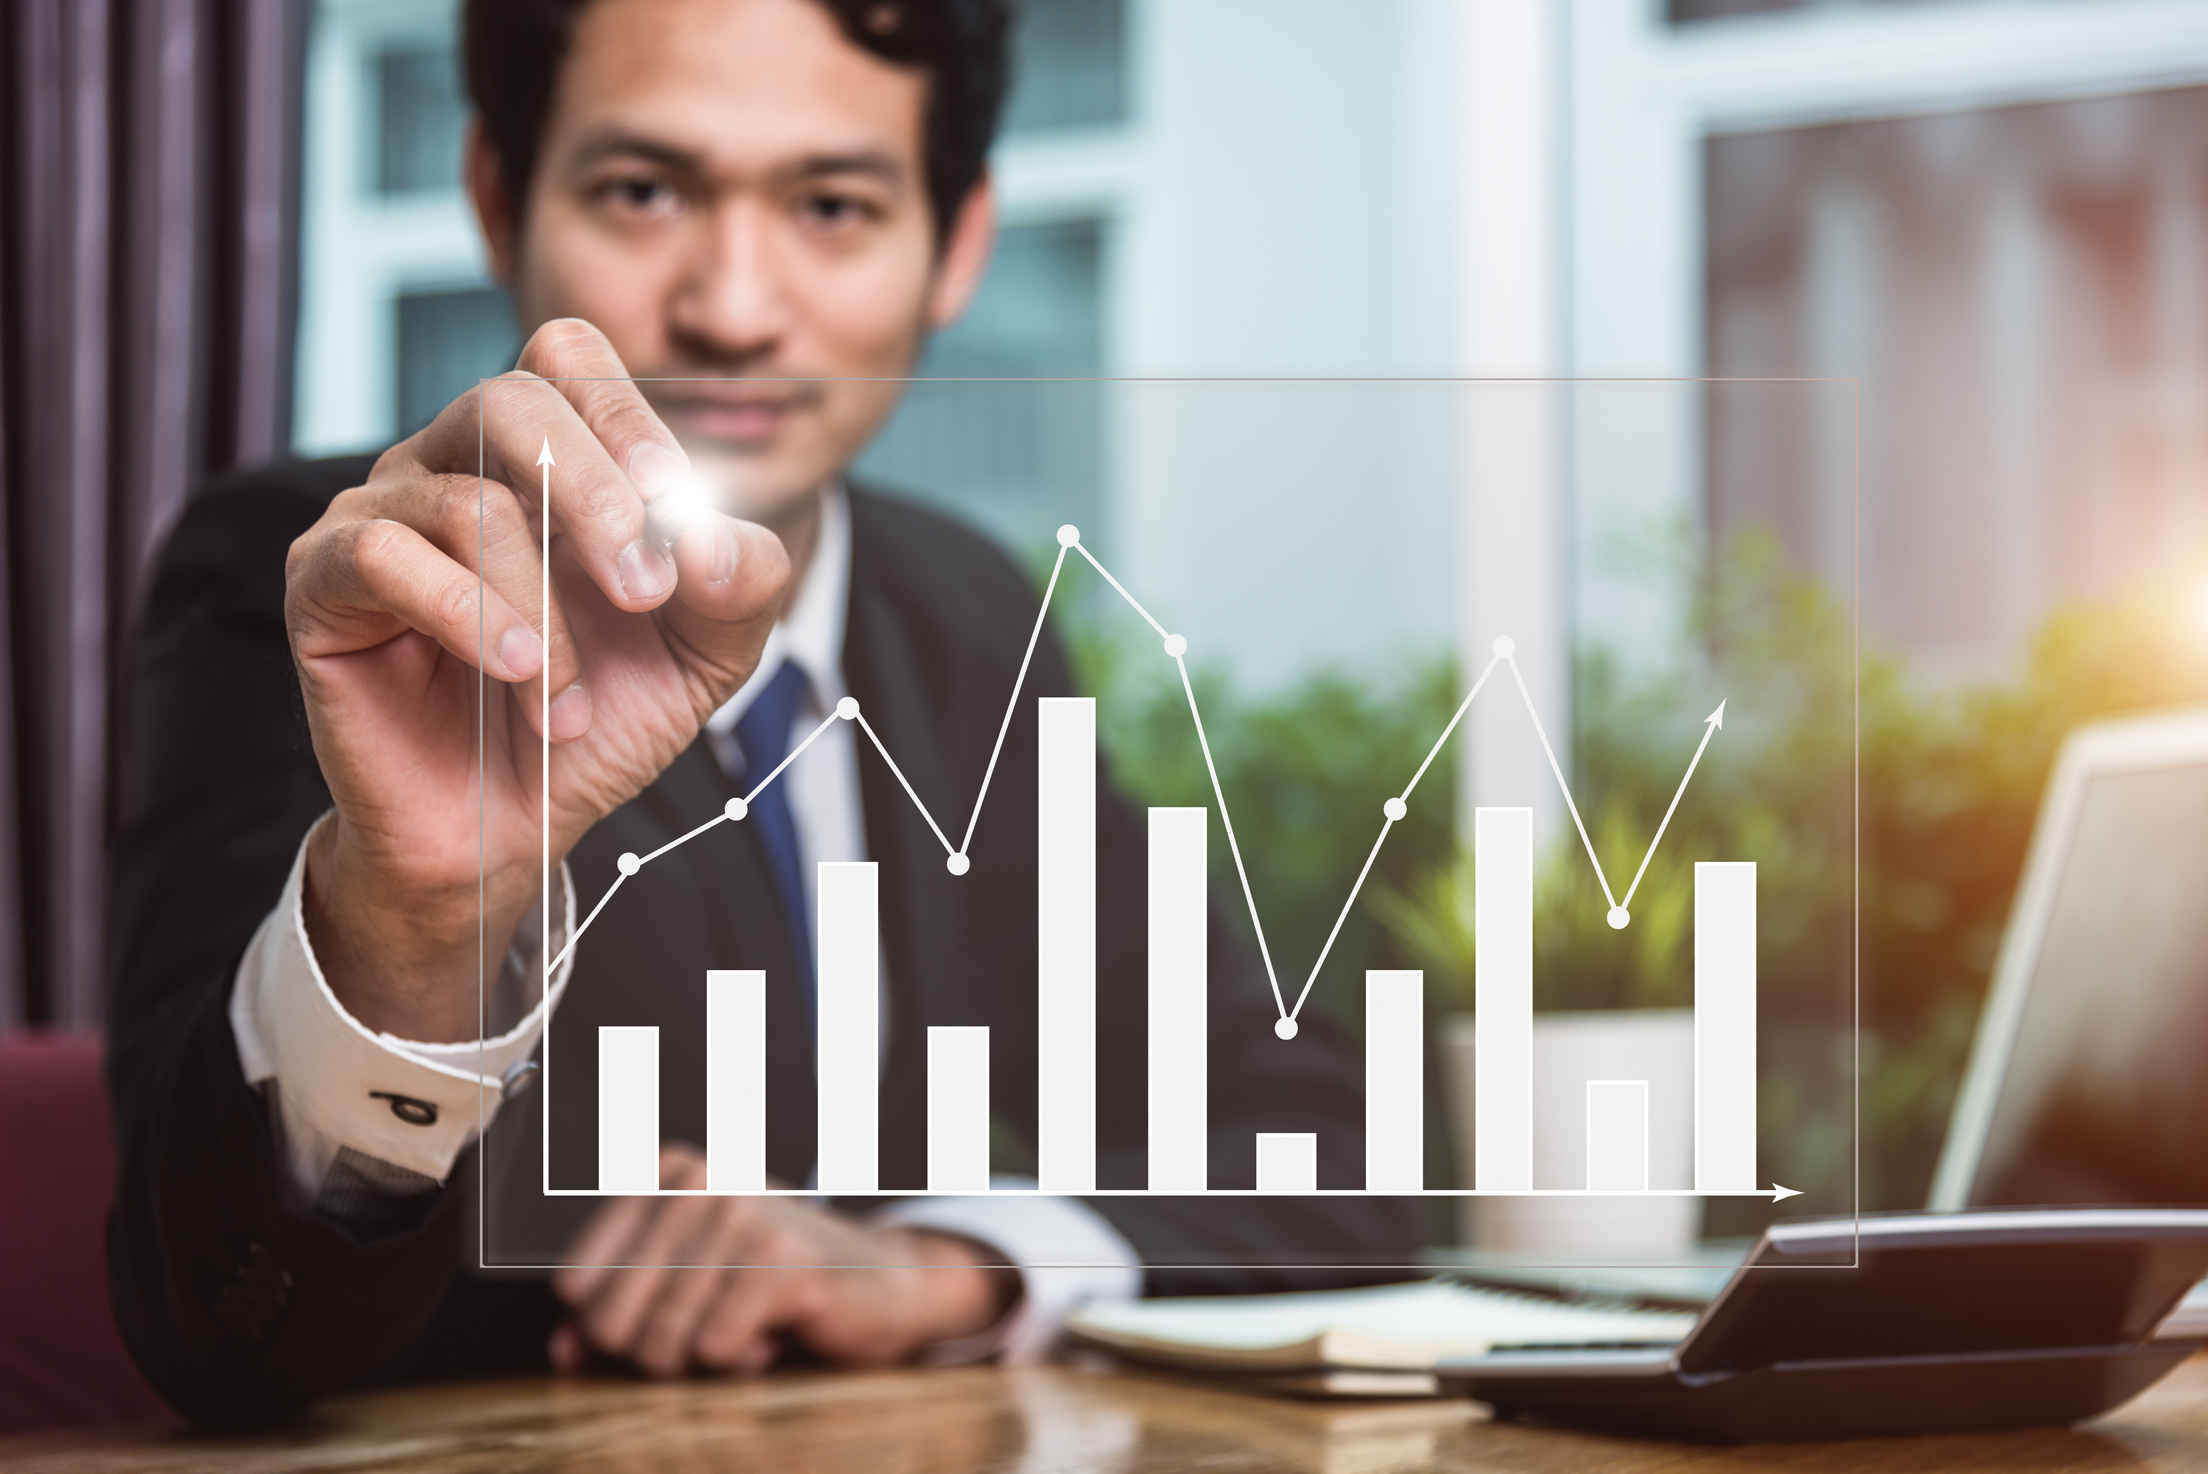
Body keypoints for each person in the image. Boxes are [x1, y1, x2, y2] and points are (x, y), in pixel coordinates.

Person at [105, 0, 1418, 1430]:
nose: (734, 305)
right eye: (643, 190)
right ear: (497, 197)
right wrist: (413, 923)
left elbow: (1314, 1146)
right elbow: (219, 1320)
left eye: (834, 204)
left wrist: (946, 1265)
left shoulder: (969, 618)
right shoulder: (333, 592)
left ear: (958, 239)